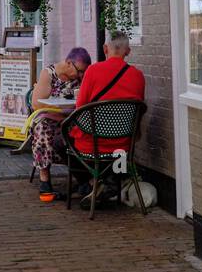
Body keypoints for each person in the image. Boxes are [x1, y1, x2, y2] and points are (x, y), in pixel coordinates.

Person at [70, 34, 146, 204]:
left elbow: (80, 107)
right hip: (124, 143)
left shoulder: (93, 71)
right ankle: (109, 179)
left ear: (105, 49)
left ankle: (93, 182)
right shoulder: (138, 76)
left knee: (63, 139)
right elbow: (138, 111)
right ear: (128, 51)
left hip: (93, 143)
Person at [30, 47, 91, 202]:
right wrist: (58, 112)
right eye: (80, 71)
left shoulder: (81, 78)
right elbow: (36, 104)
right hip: (49, 118)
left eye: (84, 72)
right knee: (43, 129)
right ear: (69, 63)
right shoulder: (49, 74)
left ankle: (83, 178)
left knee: (85, 129)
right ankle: (45, 180)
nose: (81, 75)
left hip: (72, 118)